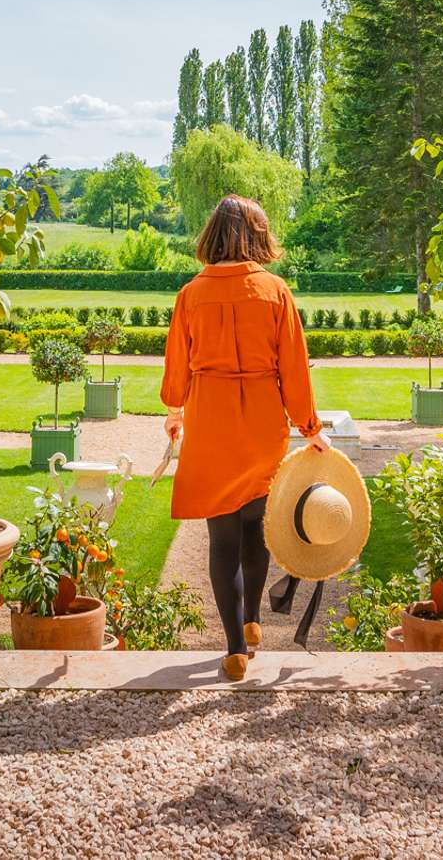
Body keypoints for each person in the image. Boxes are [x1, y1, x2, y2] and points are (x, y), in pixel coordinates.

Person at [160, 194, 329, 680]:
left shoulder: (191, 294)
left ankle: (234, 647)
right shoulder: (275, 291)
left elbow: (177, 363)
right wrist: (311, 430)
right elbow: (294, 371)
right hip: (261, 421)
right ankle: (254, 619)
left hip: (211, 420)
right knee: (257, 526)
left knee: (222, 539)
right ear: (257, 237)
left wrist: (175, 411)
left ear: (212, 236)